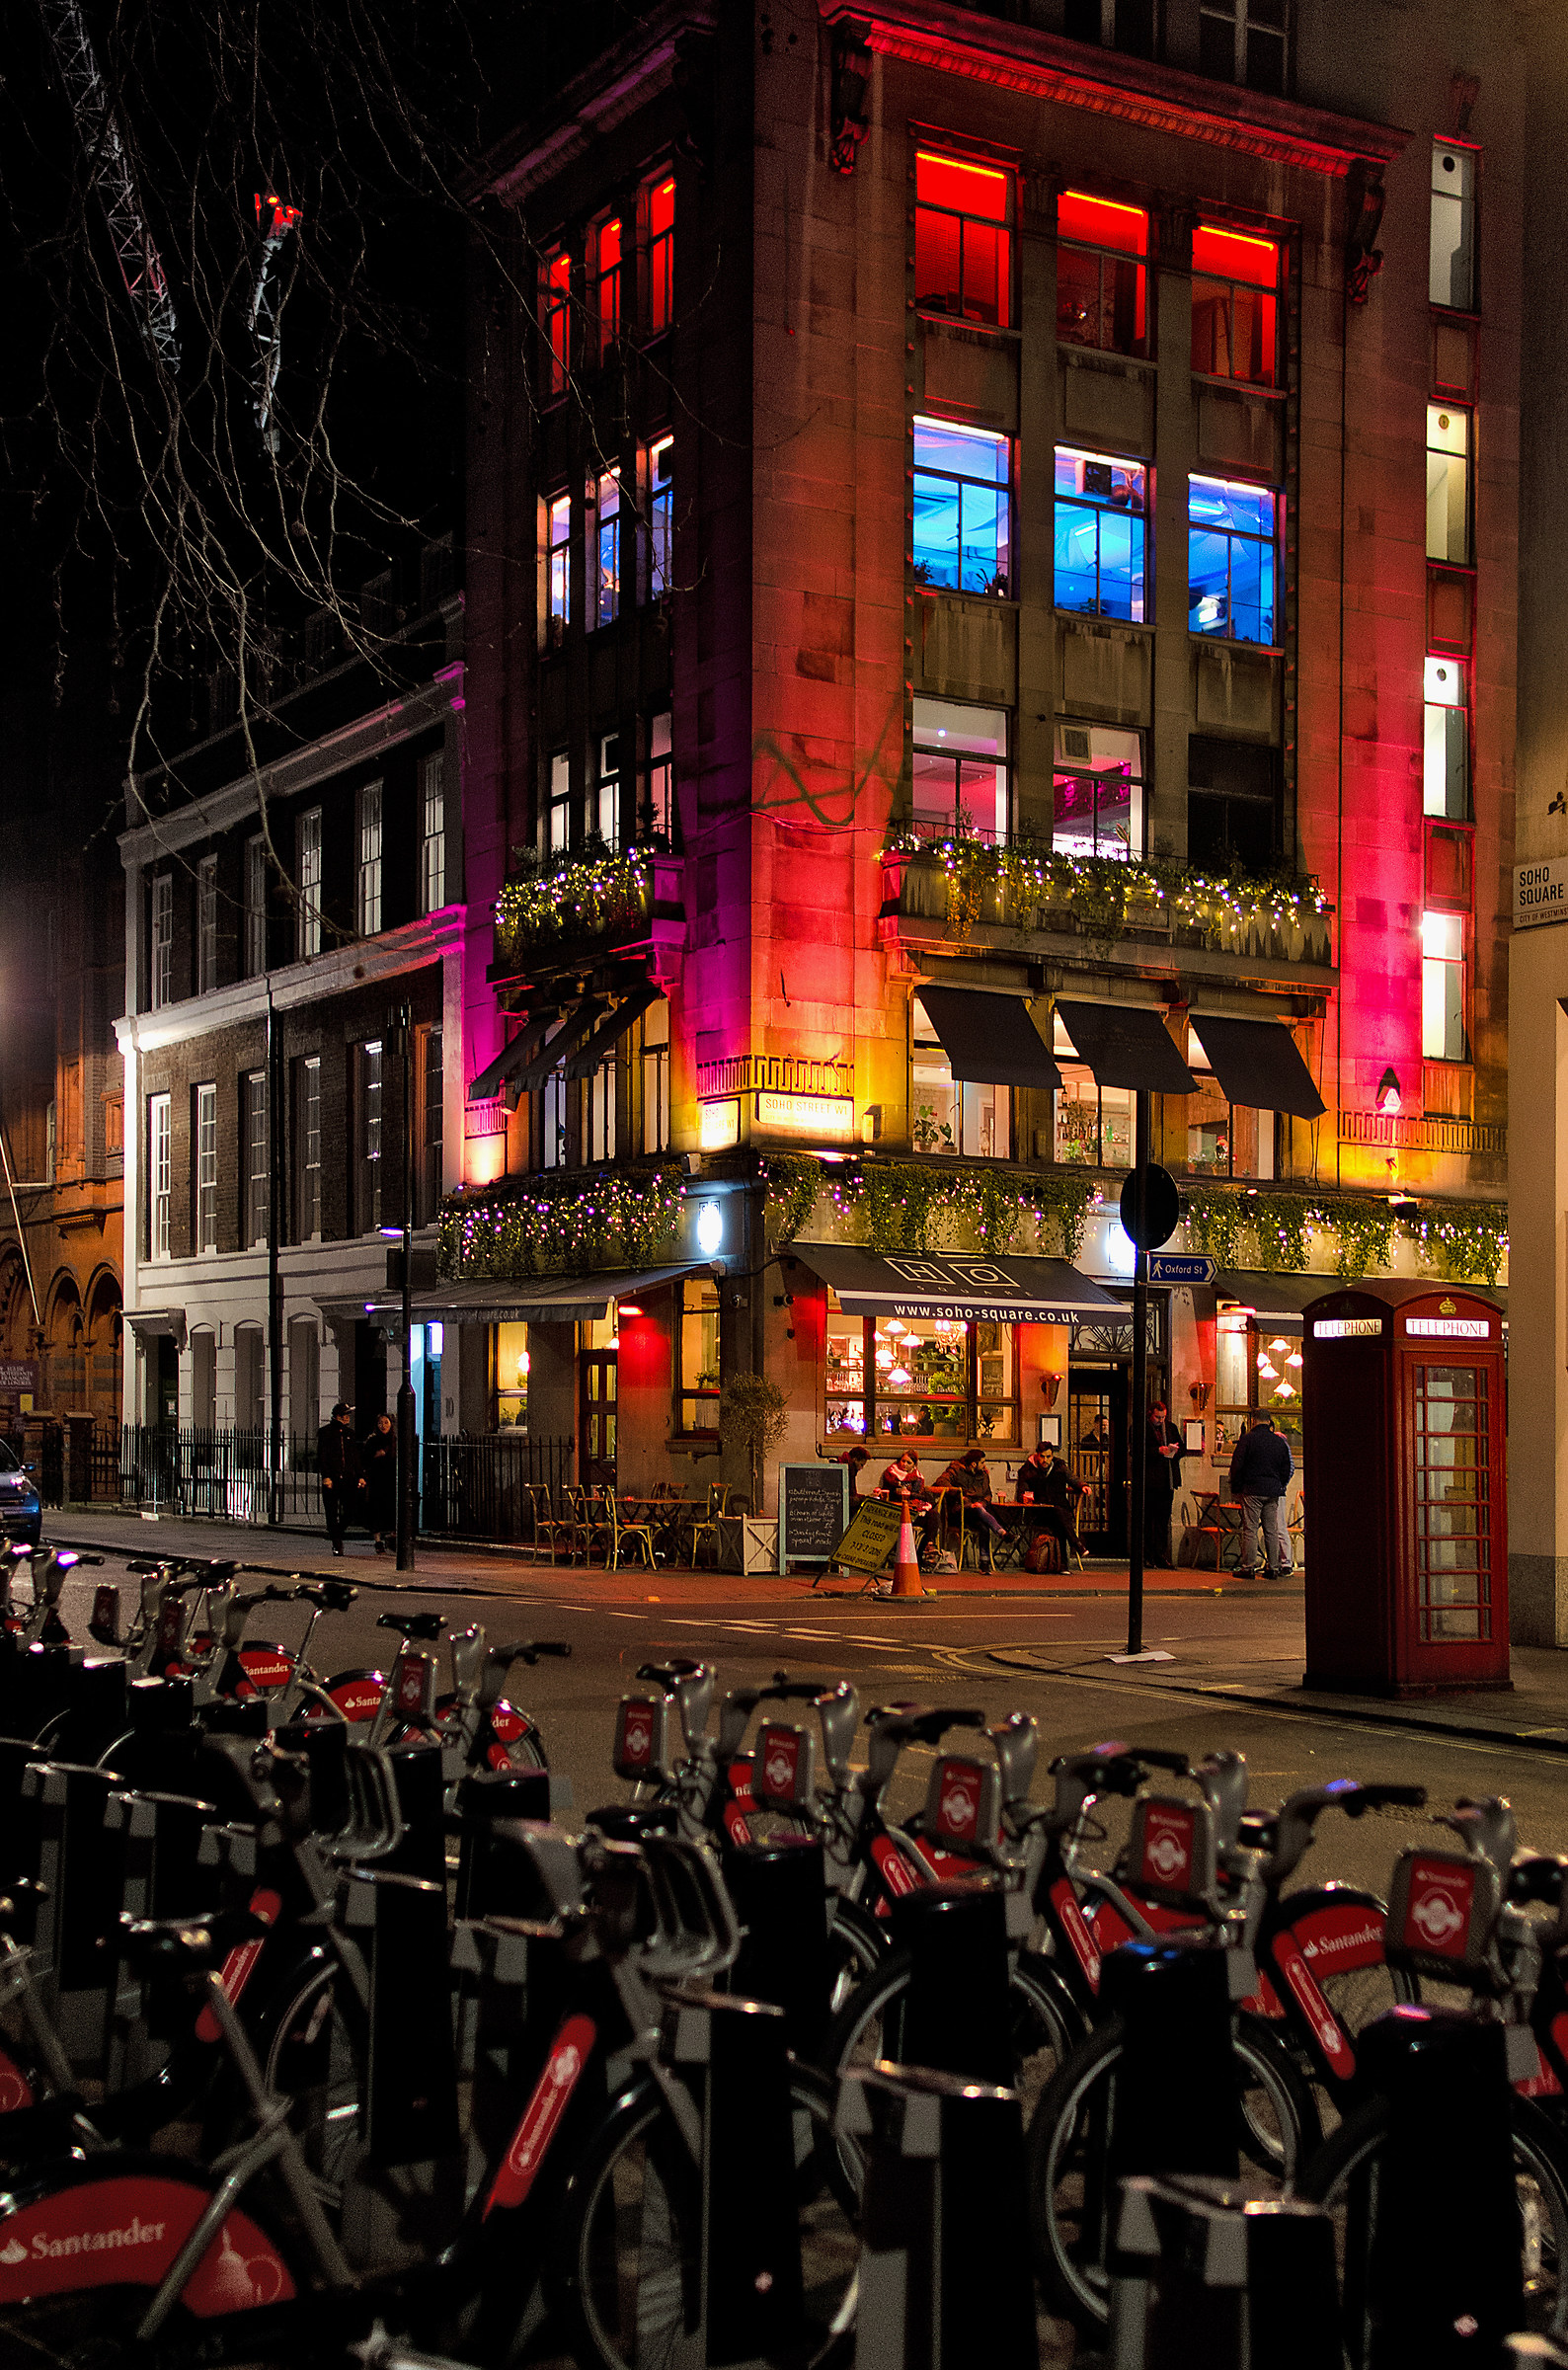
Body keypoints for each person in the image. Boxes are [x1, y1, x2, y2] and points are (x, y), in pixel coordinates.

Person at [1228, 1411, 1295, 1578]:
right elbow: (1287, 1467)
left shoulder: (1248, 1439)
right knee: (1271, 1530)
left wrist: (1237, 1488)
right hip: (1272, 1491)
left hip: (1252, 1489)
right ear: (1269, 1422)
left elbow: (1237, 1465)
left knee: (1250, 1529)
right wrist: (1279, 1485)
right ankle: (1273, 1568)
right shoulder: (1278, 1442)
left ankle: (1249, 1567)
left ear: (1253, 1421)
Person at [1016, 1440, 1085, 1561]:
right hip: (1039, 1511)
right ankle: (1075, 1547)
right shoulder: (1028, 1470)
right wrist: (1026, 1497)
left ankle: (1062, 1562)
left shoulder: (1059, 1466)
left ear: (1052, 1456)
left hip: (1060, 1508)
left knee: (1059, 1518)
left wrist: (1082, 1485)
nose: (1045, 1460)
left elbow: (1072, 1478)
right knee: (1060, 1517)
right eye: (1042, 1456)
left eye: (1048, 1457)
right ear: (1037, 1455)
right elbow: (1022, 1490)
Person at [933, 1446, 1006, 1553]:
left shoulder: (983, 1475)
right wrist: (959, 1494)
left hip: (978, 1513)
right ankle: (1001, 1531)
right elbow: (941, 1482)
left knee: (984, 1528)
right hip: (960, 1512)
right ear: (973, 1464)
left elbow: (988, 1494)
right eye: (982, 1462)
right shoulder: (957, 1470)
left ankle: (984, 1564)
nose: (984, 1465)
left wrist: (983, 1503)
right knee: (978, 1509)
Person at [317, 1402, 364, 1557]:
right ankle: (337, 1544)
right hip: (332, 1478)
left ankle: (336, 1532)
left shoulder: (350, 1433)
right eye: (345, 1414)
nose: (348, 1417)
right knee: (331, 1512)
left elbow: (355, 1456)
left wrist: (361, 1475)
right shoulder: (325, 1433)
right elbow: (322, 1457)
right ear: (337, 1416)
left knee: (350, 1510)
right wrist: (326, 1476)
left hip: (348, 1478)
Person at [1144, 1399, 1185, 1568]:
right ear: (1150, 1415)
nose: (1160, 1420)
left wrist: (1174, 1450)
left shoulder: (1171, 1428)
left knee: (1163, 1520)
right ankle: (1147, 1555)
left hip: (1167, 1480)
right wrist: (1157, 1451)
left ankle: (1160, 1554)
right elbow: (1136, 1451)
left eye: (1163, 1417)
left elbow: (1183, 1448)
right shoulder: (1143, 1428)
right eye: (1157, 1417)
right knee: (1148, 1521)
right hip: (1150, 1481)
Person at [362, 1411, 397, 1553]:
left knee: (392, 1509)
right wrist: (376, 1455)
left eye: (386, 1422)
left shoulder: (394, 1440)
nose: (383, 1426)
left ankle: (393, 1537)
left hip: (391, 1478)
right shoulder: (372, 1441)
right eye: (380, 1423)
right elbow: (365, 1459)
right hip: (377, 1479)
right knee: (376, 1509)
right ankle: (378, 1541)